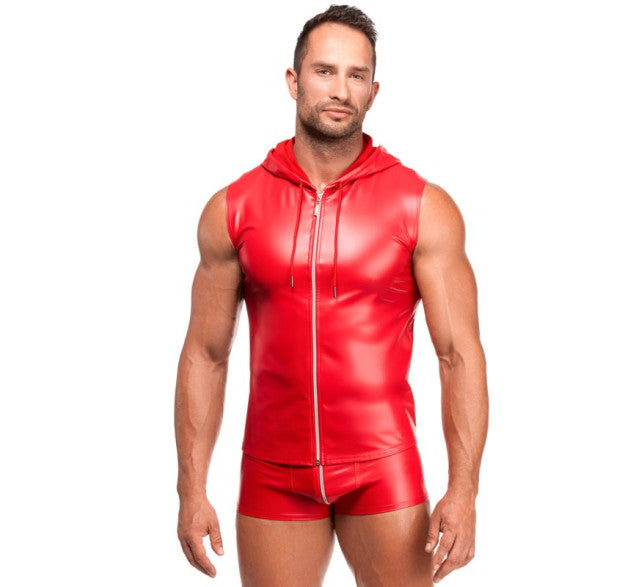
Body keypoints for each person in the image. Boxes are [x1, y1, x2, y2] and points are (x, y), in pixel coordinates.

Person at [174, 5, 488, 585]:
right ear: (294, 81)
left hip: (382, 467)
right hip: (273, 472)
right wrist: (191, 490)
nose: (340, 89)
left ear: (374, 91)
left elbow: (458, 354)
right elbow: (206, 354)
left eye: (356, 74)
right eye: (324, 71)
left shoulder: (421, 206)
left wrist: (464, 490)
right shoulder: (234, 208)